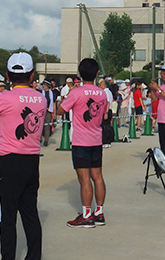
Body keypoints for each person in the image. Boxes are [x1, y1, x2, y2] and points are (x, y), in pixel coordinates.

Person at [0, 52, 45, 260]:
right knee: (30, 214)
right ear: (32, 76)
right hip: (32, 161)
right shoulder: (40, 98)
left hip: (10, 161)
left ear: (7, 75)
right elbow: (22, 102)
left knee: (7, 217)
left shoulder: (4, 97)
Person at [56, 58, 108, 228]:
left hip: (81, 140)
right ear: (97, 74)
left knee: (84, 179)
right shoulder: (101, 93)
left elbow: (60, 110)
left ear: (79, 74)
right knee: (97, 176)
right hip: (96, 138)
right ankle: (99, 212)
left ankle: (86, 215)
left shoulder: (76, 93)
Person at [41, 80, 56, 147]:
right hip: (41, 111)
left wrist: (55, 114)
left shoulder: (52, 94)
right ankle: (39, 138)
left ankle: (46, 140)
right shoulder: (40, 93)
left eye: (44, 85)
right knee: (40, 126)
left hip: (49, 111)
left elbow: (54, 104)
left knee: (47, 126)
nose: (43, 86)